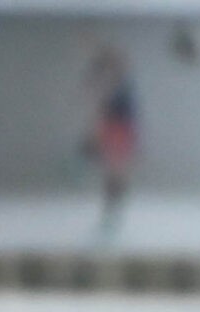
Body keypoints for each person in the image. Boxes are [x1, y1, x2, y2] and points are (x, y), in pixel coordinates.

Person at [81, 43, 138, 239]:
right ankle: (111, 211)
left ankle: (113, 211)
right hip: (114, 129)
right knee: (113, 173)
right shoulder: (109, 85)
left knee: (117, 173)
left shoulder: (122, 84)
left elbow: (113, 110)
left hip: (121, 129)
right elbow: (101, 109)